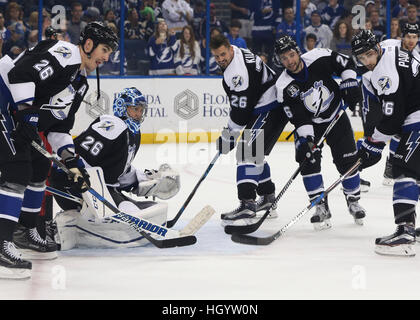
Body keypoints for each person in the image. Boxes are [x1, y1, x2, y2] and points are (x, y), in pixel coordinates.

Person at [0, 21, 118, 280]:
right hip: (4, 100)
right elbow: (21, 74)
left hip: (19, 115)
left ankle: (24, 232)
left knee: (40, 168)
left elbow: (59, 127)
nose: (107, 57)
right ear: (88, 45)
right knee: (18, 170)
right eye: (104, 49)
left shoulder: (81, 82)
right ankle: (1, 244)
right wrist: (27, 116)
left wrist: (71, 162)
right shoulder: (63, 54)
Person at [49, 88, 180, 250]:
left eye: (141, 110)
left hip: (98, 187)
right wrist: (76, 176)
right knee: (129, 211)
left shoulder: (133, 133)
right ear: (121, 107)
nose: (139, 114)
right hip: (73, 185)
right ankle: (68, 225)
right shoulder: (113, 125)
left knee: (140, 210)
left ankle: (81, 222)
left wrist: (145, 181)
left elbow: (119, 172)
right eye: (134, 109)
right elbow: (79, 153)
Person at [274, 35, 365, 230]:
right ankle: (320, 205)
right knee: (308, 161)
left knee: (348, 160)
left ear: (298, 51)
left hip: (336, 116)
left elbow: (346, 62)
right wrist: (306, 140)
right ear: (280, 61)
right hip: (310, 126)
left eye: (291, 55)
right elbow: (298, 117)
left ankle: (353, 201)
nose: (289, 61)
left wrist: (349, 81)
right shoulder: (283, 86)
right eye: (284, 58)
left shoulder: (318, 56)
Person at [351, 29, 420, 257]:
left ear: (377, 48)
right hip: (414, 110)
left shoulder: (384, 74)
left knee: (402, 167)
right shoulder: (389, 45)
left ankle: (405, 232)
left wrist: (373, 143)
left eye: (369, 55)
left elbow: (392, 120)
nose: (367, 62)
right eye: (362, 58)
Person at [209, 34, 288, 225]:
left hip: (270, 107)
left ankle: (247, 204)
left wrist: (229, 135)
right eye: (216, 56)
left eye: (222, 54)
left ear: (229, 48)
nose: (220, 59)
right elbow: (242, 106)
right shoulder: (237, 53)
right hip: (266, 105)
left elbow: (241, 112)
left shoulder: (237, 72)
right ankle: (268, 199)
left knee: (247, 153)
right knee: (255, 154)